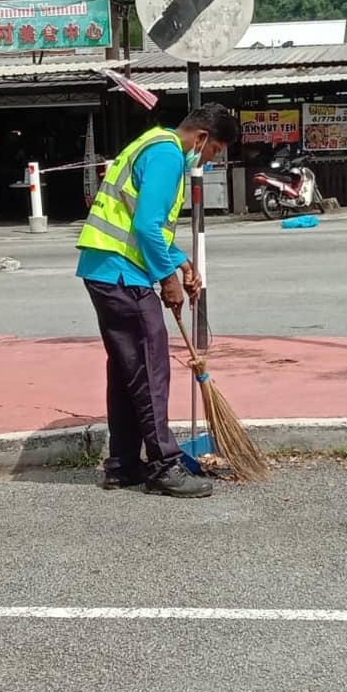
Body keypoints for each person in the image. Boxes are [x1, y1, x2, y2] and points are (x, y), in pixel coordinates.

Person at [76, 103, 238, 499]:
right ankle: (165, 464)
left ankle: (124, 464)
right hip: (122, 274)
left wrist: (179, 260)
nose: (210, 159)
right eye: (214, 150)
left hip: (105, 269)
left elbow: (144, 223)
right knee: (150, 367)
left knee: (128, 370)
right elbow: (147, 224)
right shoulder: (168, 154)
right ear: (201, 138)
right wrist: (168, 278)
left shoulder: (152, 142)